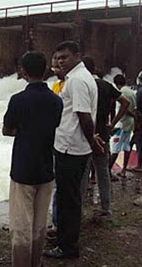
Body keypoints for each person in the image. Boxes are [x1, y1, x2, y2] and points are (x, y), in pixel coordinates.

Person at [3, 51, 63, 267]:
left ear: (23, 71)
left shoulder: (18, 100)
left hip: (22, 168)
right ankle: (36, 263)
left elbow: (7, 130)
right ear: (46, 69)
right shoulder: (56, 101)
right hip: (46, 167)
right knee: (39, 225)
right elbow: (54, 126)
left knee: (21, 226)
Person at [43, 41, 101, 259]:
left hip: (71, 147)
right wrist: (91, 139)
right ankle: (67, 241)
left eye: (65, 57)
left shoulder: (76, 80)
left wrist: (92, 142)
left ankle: (67, 246)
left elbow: (83, 115)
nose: (60, 62)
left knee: (68, 200)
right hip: (75, 145)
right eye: (58, 58)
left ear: (78, 55)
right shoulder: (82, 77)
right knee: (71, 197)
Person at [80, 57, 129, 217]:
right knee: (103, 172)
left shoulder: (83, 84)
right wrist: (112, 123)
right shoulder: (106, 85)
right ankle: (106, 208)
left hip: (85, 135)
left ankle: (78, 210)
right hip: (103, 132)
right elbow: (125, 102)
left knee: (83, 174)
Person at [47, 53, 65, 239]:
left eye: (58, 67)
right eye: (54, 68)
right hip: (55, 138)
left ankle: (59, 225)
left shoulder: (72, 84)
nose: (56, 71)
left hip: (66, 140)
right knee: (56, 185)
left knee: (60, 186)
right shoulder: (55, 86)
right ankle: (56, 222)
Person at [110, 74, 137, 178]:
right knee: (126, 146)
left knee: (115, 148)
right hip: (130, 124)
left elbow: (125, 109)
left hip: (121, 123)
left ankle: (108, 171)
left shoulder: (121, 93)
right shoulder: (132, 92)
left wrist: (112, 123)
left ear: (117, 84)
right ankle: (123, 170)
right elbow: (135, 109)